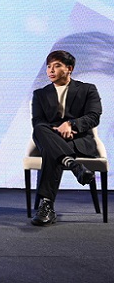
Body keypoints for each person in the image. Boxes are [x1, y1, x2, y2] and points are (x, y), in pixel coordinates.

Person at [30, 50, 102, 226]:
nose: (51, 70)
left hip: (79, 141)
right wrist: (56, 131)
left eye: (57, 66)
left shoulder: (88, 89)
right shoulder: (40, 94)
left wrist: (71, 124)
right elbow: (38, 121)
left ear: (69, 69)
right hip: (51, 137)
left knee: (51, 152)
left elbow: (94, 116)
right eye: (48, 66)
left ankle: (46, 206)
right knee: (39, 129)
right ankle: (73, 165)